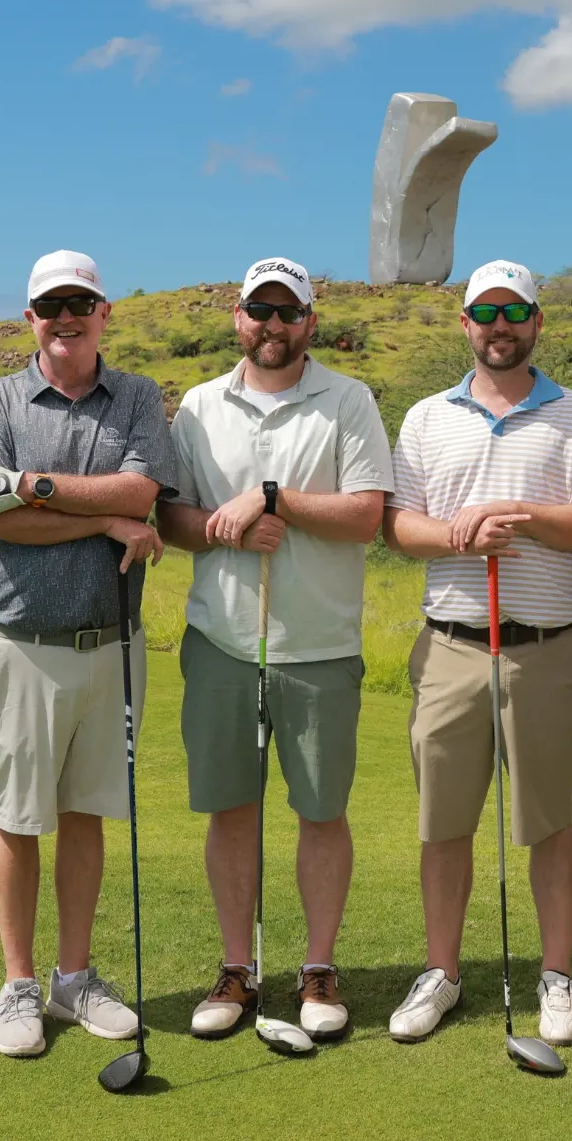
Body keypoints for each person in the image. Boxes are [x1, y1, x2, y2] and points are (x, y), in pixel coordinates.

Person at [380, 259, 572, 1047]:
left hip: (543, 649)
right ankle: (442, 971)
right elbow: (400, 527)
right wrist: (458, 533)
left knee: (549, 819)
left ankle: (556, 974)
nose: (500, 325)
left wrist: (520, 519)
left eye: (515, 311)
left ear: (537, 323)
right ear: (466, 325)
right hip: (451, 644)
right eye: (485, 311)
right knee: (443, 822)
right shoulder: (424, 417)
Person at [157, 257, 393, 1043]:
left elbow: (365, 516)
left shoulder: (348, 400)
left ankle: (318, 968)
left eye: (288, 312)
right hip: (222, 639)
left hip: (318, 644)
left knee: (320, 810)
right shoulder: (197, 406)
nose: (273, 325)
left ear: (310, 324)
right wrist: (223, 525)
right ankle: (238, 968)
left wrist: (273, 500)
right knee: (231, 808)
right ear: (237, 315)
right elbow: (174, 520)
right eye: (261, 309)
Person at [0, 249, 178, 1058]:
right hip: (19, 641)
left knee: (87, 814)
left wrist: (35, 485)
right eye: (51, 305)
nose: (66, 317)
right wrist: (99, 519)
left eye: (80, 301)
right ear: (30, 319)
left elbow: (141, 491)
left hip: (112, 642)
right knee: (18, 817)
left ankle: (74, 978)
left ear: (104, 311)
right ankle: (19, 986)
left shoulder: (139, 398)